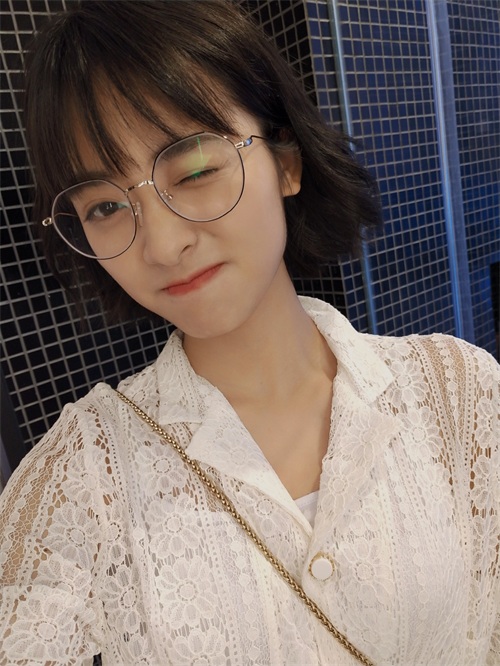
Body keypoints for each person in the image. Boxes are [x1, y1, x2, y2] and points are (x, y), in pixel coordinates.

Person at [0, 1, 498, 664]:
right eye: (106, 206)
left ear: (286, 160)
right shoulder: (82, 479)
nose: (163, 245)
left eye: (196, 171)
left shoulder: (456, 391)